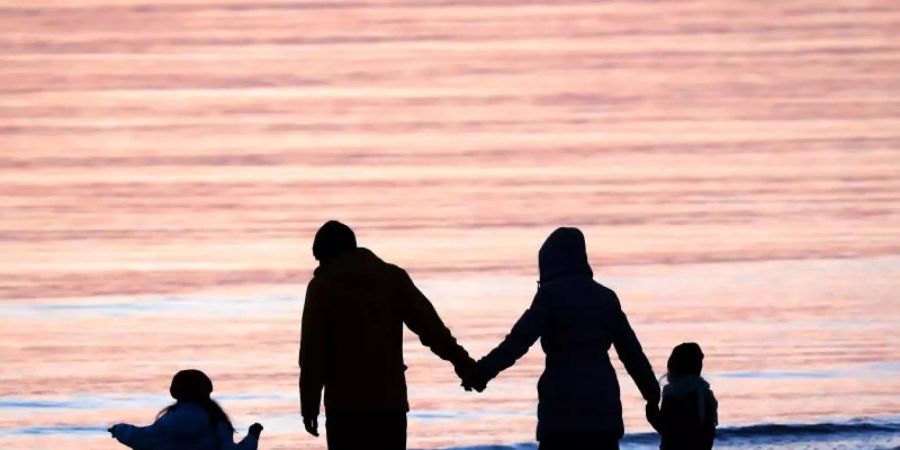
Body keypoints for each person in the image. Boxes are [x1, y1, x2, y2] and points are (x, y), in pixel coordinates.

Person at [463, 227, 660, 450]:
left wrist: (481, 373)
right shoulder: (606, 298)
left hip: (561, 413)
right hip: (603, 411)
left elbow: (517, 342)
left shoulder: (549, 296)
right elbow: (632, 355)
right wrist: (652, 395)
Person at [299, 220, 477, 450]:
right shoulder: (391, 278)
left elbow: (312, 356)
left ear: (325, 255)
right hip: (389, 405)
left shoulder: (321, 288)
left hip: (345, 410)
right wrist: (463, 364)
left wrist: (309, 407)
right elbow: (432, 330)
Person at [108, 369, 262, 450]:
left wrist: (119, 430)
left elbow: (144, 437)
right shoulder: (216, 420)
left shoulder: (171, 420)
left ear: (175, 392)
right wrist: (252, 437)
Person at [646, 342, 718, 450]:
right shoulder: (705, 393)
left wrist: (651, 412)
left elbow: (668, 429)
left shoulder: (673, 394)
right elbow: (709, 431)